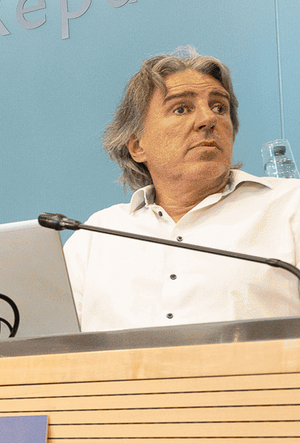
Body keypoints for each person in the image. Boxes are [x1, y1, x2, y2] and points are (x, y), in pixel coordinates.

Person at [65, 49, 300, 332]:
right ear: (138, 145)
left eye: (219, 108)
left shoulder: (291, 206)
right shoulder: (94, 236)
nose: (207, 119)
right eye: (181, 109)